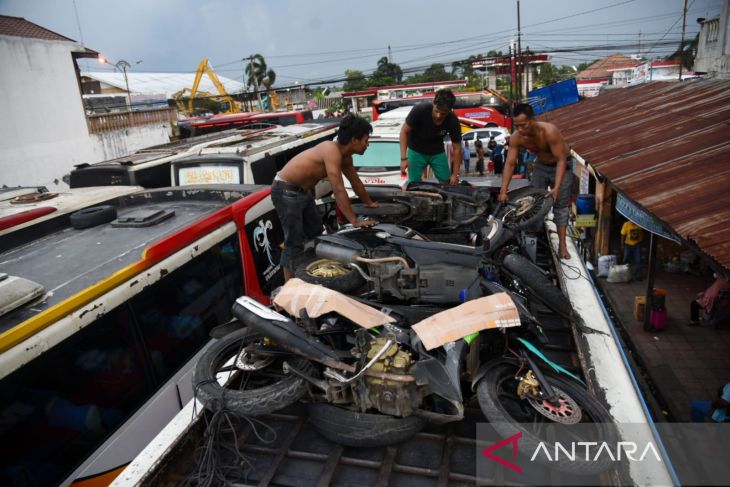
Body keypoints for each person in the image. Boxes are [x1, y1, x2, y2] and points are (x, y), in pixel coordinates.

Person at [271, 115, 379, 280]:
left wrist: (370, 204)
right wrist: (354, 220)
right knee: (294, 242)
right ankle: (289, 287)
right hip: (285, 191)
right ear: (354, 140)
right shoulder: (331, 150)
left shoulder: (346, 158)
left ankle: (313, 273)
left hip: (302, 192)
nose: (367, 144)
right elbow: (338, 188)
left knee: (316, 233)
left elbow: (356, 183)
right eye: (365, 140)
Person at [498, 103, 574, 259]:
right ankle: (533, 240)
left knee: (560, 205)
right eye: (516, 126)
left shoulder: (549, 131)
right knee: (533, 203)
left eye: (523, 125)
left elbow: (561, 160)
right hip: (540, 166)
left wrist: (556, 188)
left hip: (562, 166)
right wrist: (503, 190)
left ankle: (563, 245)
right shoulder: (516, 137)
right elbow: (510, 163)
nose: (520, 129)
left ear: (532, 120)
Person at [400, 89, 462, 185]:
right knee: (414, 184)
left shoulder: (453, 120)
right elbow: (404, 132)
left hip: (437, 151)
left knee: (447, 181)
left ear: (450, 110)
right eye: (436, 111)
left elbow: (457, 149)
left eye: (443, 114)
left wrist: (455, 174)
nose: (438, 116)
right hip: (416, 150)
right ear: (433, 103)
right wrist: (404, 159)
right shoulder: (420, 110)